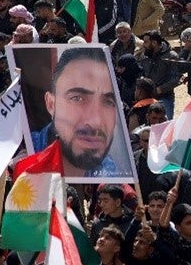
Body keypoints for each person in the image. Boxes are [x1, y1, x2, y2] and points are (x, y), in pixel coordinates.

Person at [28, 45, 129, 178]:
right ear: (51, 104)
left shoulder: (109, 172)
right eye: (77, 98)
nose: (95, 122)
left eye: (108, 102)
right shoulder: (23, 154)